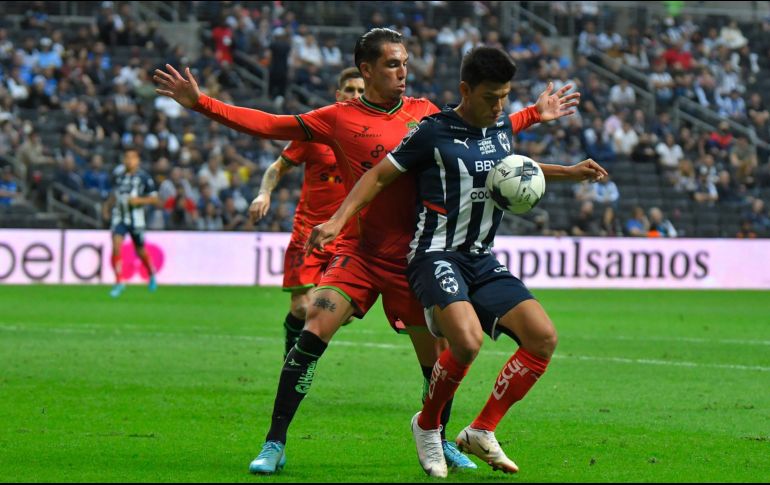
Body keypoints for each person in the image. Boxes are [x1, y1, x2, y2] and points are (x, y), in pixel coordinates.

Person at [154, 28, 580, 475]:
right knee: (314, 327)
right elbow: (267, 124)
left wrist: (534, 114)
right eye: (394, 64)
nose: (403, 72)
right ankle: (274, 442)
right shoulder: (337, 118)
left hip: (416, 257)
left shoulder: (424, 114)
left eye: (406, 63)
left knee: (436, 361)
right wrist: (202, 103)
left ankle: (439, 437)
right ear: (367, 69)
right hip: (358, 253)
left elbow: (481, 137)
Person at [307, 46, 606, 477]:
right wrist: (337, 220)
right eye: (490, 97)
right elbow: (378, 176)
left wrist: (567, 171)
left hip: (481, 258)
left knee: (542, 338)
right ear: (466, 90)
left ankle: (481, 430)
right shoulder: (431, 132)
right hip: (434, 254)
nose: (499, 106)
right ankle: (427, 425)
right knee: (466, 342)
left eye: (504, 96)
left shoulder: (501, 127)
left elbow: (510, 167)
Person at [248, 67, 365, 359]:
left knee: (344, 314)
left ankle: (302, 349)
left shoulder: (369, 135)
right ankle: (294, 357)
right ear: (338, 95)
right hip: (308, 231)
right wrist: (265, 192)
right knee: (302, 307)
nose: (355, 96)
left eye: (361, 91)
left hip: (348, 235)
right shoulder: (317, 130)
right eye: (350, 90)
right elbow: (277, 168)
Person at [101, 147, 159, 297]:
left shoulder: (145, 178)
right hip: (119, 217)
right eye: (126, 157)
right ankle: (119, 282)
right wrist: (107, 207)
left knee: (140, 251)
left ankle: (151, 272)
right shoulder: (119, 176)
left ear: (138, 160)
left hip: (136, 219)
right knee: (116, 246)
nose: (129, 160)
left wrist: (139, 200)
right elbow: (115, 195)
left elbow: (154, 198)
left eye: (132, 157)